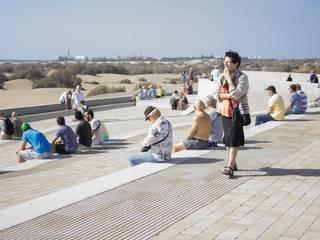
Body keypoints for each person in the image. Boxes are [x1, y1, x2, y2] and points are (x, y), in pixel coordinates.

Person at [215, 50, 250, 177]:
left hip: (238, 112)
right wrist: (227, 95)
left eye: (229, 62)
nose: (226, 65)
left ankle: (229, 166)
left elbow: (237, 95)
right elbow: (216, 95)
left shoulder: (242, 77)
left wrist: (229, 80)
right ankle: (233, 162)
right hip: (224, 111)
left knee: (234, 139)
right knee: (228, 139)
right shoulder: (220, 76)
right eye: (225, 62)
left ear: (236, 64)